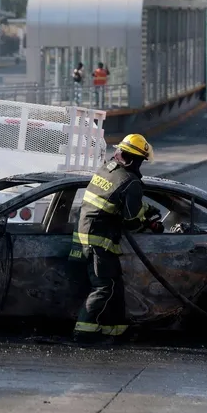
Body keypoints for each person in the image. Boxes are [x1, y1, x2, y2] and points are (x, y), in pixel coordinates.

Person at [70, 134, 161, 344]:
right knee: (103, 287)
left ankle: (116, 331)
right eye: (141, 161)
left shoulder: (106, 170)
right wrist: (149, 223)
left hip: (84, 236)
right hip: (98, 242)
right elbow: (131, 221)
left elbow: (112, 200)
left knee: (115, 286)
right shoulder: (131, 183)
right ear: (135, 160)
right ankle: (83, 333)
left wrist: (144, 209)